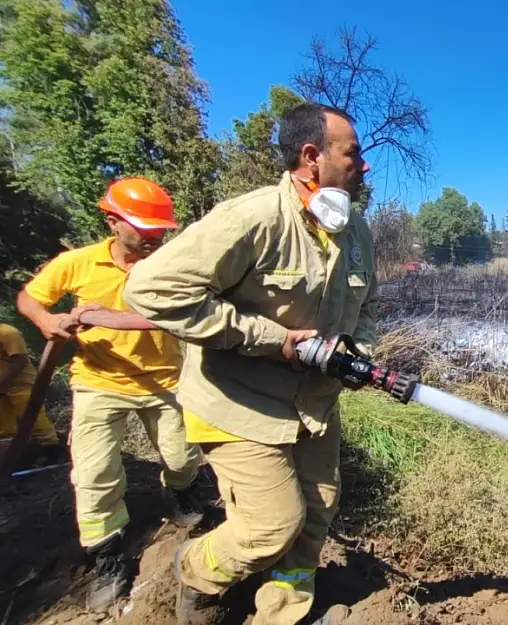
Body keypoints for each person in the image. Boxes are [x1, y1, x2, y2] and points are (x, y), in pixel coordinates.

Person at [122, 102, 377, 625]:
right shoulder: (253, 218)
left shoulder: (356, 232)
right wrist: (269, 338)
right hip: (236, 404)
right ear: (312, 157)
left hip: (314, 406)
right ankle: (195, 570)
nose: (364, 165)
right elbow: (150, 290)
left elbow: (367, 305)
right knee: (271, 526)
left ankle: (283, 613)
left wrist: (357, 353)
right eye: (353, 153)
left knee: (317, 511)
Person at [15, 177, 204, 612]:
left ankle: (179, 492)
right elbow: (29, 298)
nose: (154, 239)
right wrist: (46, 320)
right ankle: (107, 553)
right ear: (114, 221)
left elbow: (185, 313)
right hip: (99, 381)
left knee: (181, 457)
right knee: (95, 473)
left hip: (164, 380)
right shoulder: (77, 263)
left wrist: (106, 316)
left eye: (160, 231)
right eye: (145, 230)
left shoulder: (169, 262)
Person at [0, 321, 62, 468]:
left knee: (35, 419)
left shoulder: (8, 334)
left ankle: (52, 453)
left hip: (21, 384)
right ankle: (13, 458)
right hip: (2, 388)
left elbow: (19, 361)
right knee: (4, 426)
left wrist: (3, 384)